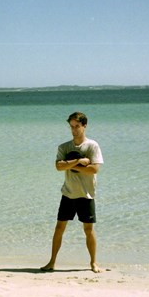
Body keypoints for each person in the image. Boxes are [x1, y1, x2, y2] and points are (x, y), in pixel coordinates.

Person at [41, 112, 104, 273]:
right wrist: (78, 161)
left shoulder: (92, 146)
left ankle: (93, 263)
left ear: (84, 126)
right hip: (68, 194)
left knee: (88, 230)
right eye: (72, 126)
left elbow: (93, 169)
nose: (74, 130)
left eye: (77, 126)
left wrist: (68, 164)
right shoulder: (64, 147)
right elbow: (58, 167)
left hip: (86, 195)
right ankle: (52, 262)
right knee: (59, 228)